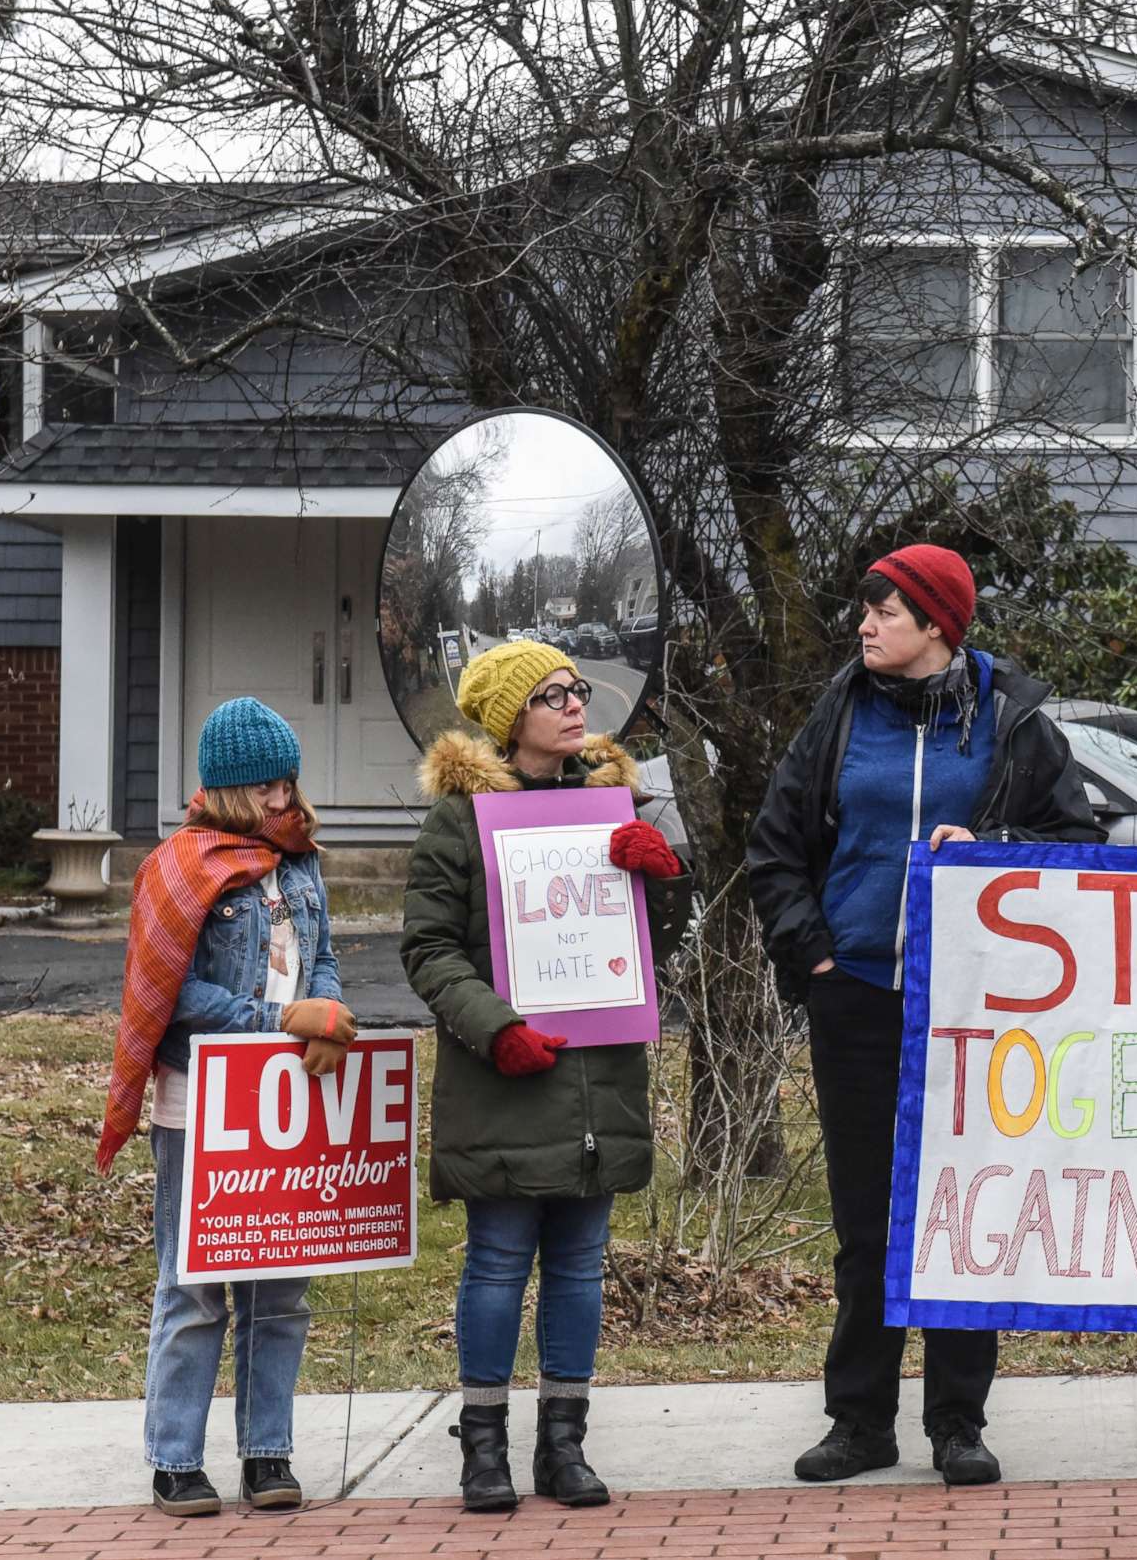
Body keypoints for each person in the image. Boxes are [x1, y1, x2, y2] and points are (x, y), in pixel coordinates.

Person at [746, 543, 1099, 1488]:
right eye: (865, 608)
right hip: (856, 998)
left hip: (976, 1008)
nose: (865, 625)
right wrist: (815, 957)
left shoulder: (1013, 724)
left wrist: (993, 848)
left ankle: (958, 1424)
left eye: (886, 610)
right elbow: (773, 848)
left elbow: (1079, 845)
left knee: (964, 1211)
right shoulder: (839, 714)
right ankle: (859, 1422)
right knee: (868, 1221)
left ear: (938, 626)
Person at [402, 638, 685, 1514]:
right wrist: (498, 1029)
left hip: (600, 1083)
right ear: (507, 721)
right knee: (495, 1264)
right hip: (506, 1080)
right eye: (553, 694)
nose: (576, 704)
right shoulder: (460, 821)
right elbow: (428, 949)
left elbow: (653, 948)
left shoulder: (615, 803)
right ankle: (481, 1450)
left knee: (578, 1269)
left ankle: (564, 1447)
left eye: (577, 690)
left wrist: (663, 878)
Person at [98, 696, 357, 1518]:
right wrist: (280, 1019)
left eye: (290, 781)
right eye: (268, 787)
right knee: (195, 1285)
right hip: (199, 1105)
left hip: (288, 1105)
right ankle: (175, 1460)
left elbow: (325, 958)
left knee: (281, 1288)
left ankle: (267, 1455)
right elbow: (171, 999)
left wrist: (328, 1014)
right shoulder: (177, 867)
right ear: (230, 792)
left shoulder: (303, 863)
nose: (286, 799)